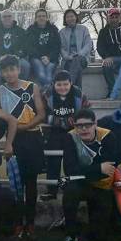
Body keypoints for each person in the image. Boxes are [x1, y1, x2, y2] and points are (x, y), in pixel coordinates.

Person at [0, 55, 46, 237]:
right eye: (5, 70)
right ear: (2, 73)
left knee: (31, 183)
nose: (9, 73)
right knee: (16, 184)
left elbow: (41, 114)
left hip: (32, 137)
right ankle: (17, 222)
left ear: (19, 69)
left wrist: (24, 127)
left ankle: (30, 223)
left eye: (12, 69)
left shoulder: (32, 87)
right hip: (13, 139)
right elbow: (0, 118)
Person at [61, 109, 119, 241]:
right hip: (80, 184)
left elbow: (110, 168)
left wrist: (84, 171)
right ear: (74, 126)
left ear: (95, 124)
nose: (84, 129)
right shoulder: (70, 137)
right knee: (70, 191)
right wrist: (98, 168)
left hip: (102, 185)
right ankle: (70, 234)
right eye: (79, 126)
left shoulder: (108, 136)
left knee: (100, 237)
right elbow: (69, 170)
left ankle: (95, 231)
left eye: (88, 125)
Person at [41, 71, 90, 200]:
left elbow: (86, 113)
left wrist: (63, 121)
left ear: (71, 83)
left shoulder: (79, 95)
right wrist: (66, 121)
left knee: (72, 162)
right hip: (53, 132)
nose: (62, 88)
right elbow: (43, 115)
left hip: (75, 132)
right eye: (59, 85)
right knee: (53, 162)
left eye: (65, 84)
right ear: (53, 84)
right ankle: (52, 191)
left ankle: (73, 190)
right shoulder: (47, 95)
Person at [0, 9, 30, 79]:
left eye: (9, 16)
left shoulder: (20, 31)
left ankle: (21, 84)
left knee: (26, 65)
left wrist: (17, 55)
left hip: (16, 57)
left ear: (13, 18)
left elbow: (25, 46)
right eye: (4, 16)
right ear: (1, 18)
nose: (7, 18)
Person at [58, 9, 93, 89]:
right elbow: (61, 48)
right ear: (65, 19)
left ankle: (69, 87)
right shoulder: (62, 32)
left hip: (82, 58)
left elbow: (88, 44)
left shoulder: (84, 29)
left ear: (76, 17)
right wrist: (68, 57)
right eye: (67, 17)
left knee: (77, 60)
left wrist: (79, 54)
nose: (70, 18)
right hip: (68, 59)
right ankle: (77, 92)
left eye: (72, 16)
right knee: (77, 67)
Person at [26, 8, 61, 87]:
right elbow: (29, 47)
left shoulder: (53, 29)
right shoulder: (31, 30)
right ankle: (49, 92)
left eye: (43, 16)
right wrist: (41, 57)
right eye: (39, 16)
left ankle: (45, 92)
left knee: (48, 74)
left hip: (52, 59)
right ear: (36, 18)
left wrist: (49, 57)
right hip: (36, 58)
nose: (41, 18)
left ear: (47, 18)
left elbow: (57, 47)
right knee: (41, 74)